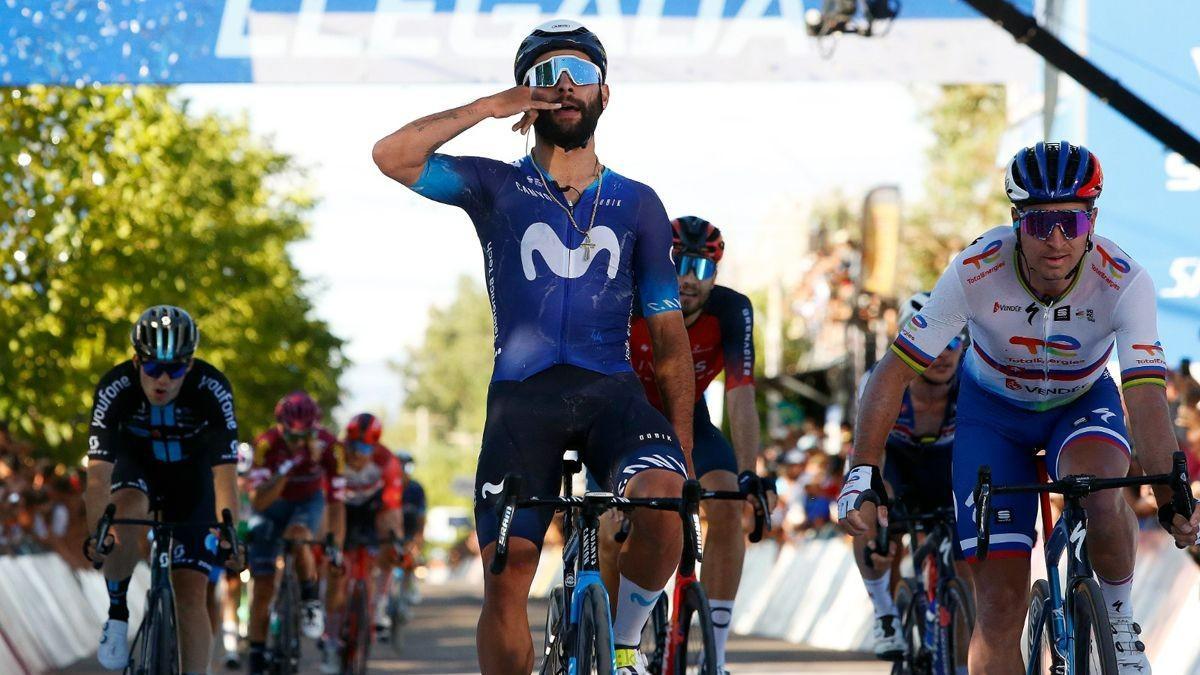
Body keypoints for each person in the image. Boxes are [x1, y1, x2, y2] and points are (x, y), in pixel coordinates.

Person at [372, 18, 695, 674]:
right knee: (507, 569)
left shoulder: (639, 203)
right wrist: (491, 107)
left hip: (613, 394)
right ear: (529, 95)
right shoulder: (495, 187)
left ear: (607, 93)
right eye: (548, 77)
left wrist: (684, 449)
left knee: (662, 498)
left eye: (582, 75)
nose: (566, 88)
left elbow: (669, 342)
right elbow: (392, 156)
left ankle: (628, 642)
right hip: (523, 399)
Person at [839, 141, 1200, 673]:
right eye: (1039, 224)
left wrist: (1172, 493)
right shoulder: (974, 270)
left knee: (1102, 491)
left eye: (1071, 224)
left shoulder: (1125, 281)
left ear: (1092, 222)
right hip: (992, 417)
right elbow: (894, 371)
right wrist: (862, 471)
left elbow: (1144, 393)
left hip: (1080, 404)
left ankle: (1120, 622)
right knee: (999, 609)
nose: (1056, 240)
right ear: (1016, 221)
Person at [614, 215, 760, 674]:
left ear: (716, 274)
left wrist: (751, 474)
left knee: (729, 502)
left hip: (691, 421)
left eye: (701, 269)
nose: (687, 279)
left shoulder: (732, 311)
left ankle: (715, 651)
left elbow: (741, 394)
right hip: (626, 420)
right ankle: (620, 645)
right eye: (678, 264)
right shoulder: (627, 301)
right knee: (610, 523)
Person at [83, 305, 242, 674]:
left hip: (193, 477)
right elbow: (97, 477)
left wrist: (231, 533)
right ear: (137, 361)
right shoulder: (115, 386)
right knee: (126, 508)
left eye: (176, 369)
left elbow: (225, 475)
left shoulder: (212, 387)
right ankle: (118, 613)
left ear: (190, 365)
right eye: (154, 367)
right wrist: (98, 534)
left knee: (190, 593)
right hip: (135, 467)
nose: (164, 380)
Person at [851, 292, 967, 660]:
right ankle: (885, 611)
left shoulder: (971, 381)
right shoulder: (881, 382)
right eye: (933, 342)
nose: (944, 353)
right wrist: (881, 523)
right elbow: (871, 457)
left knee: (966, 567)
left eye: (954, 342)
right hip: (895, 462)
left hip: (947, 464)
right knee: (869, 505)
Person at [245, 391, 345, 675]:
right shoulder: (266, 445)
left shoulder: (330, 447)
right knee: (262, 587)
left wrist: (335, 543)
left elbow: (337, 504)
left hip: (308, 502)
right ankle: (256, 655)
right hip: (272, 504)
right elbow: (259, 501)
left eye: (306, 436)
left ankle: (310, 599)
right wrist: (290, 466)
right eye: (292, 437)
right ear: (280, 428)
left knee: (299, 535)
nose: (299, 441)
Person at [320, 413, 404, 673]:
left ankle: (377, 604)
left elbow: (392, 508)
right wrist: (328, 542)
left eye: (365, 448)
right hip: (340, 508)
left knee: (391, 544)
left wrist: (395, 543)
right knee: (337, 570)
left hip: (371, 511)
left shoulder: (386, 461)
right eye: (353, 446)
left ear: (375, 447)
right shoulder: (335, 456)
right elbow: (324, 504)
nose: (358, 454)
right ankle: (331, 640)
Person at [397, 450, 426, 605]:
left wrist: (418, 538)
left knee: (411, 557)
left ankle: (410, 583)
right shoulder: (388, 485)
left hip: (410, 528)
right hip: (392, 528)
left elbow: (421, 516)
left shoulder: (416, 489)